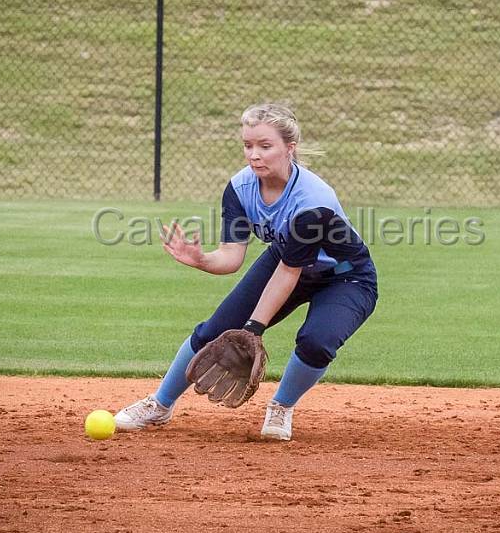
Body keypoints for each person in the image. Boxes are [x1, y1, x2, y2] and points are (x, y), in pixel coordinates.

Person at [115, 103, 378, 441]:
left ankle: (281, 407)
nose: (254, 155)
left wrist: (253, 329)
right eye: (248, 145)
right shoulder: (241, 188)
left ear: (289, 148)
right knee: (215, 331)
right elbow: (231, 256)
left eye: (265, 146)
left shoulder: (313, 202)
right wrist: (202, 260)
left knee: (317, 341)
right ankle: (160, 404)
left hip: (346, 277)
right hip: (287, 260)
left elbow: (289, 272)